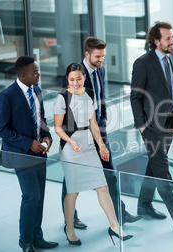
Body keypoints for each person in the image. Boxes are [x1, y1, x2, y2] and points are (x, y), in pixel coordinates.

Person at [61, 37, 142, 228]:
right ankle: (70, 219)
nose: (101, 60)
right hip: (79, 133)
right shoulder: (76, 75)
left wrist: (103, 118)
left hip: (98, 128)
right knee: (71, 179)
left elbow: (100, 96)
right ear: (87, 54)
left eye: (103, 56)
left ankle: (119, 214)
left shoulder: (100, 70)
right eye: (98, 56)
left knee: (110, 174)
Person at [54, 63, 133, 245]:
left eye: (79, 79)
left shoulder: (89, 93)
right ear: (67, 79)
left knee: (102, 187)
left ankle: (114, 227)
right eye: (72, 79)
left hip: (89, 144)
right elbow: (57, 128)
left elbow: (93, 124)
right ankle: (69, 228)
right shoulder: (62, 98)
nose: (75, 83)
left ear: (84, 78)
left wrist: (102, 147)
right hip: (70, 147)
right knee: (73, 191)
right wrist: (72, 142)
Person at [130, 21, 173, 231]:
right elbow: (135, 97)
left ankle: (144, 204)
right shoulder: (143, 63)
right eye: (167, 38)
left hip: (169, 123)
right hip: (150, 126)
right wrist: (141, 126)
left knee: (155, 165)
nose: (172, 41)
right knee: (163, 170)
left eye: (172, 37)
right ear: (156, 41)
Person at [0, 56, 58, 252]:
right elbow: (1, 128)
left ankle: (37, 237)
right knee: (31, 197)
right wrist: (29, 143)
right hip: (21, 154)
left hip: (40, 153)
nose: (39, 75)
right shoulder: (7, 95)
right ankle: (26, 240)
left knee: (39, 197)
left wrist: (47, 136)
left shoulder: (37, 90)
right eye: (35, 72)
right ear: (22, 76)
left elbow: (41, 118)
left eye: (38, 71)